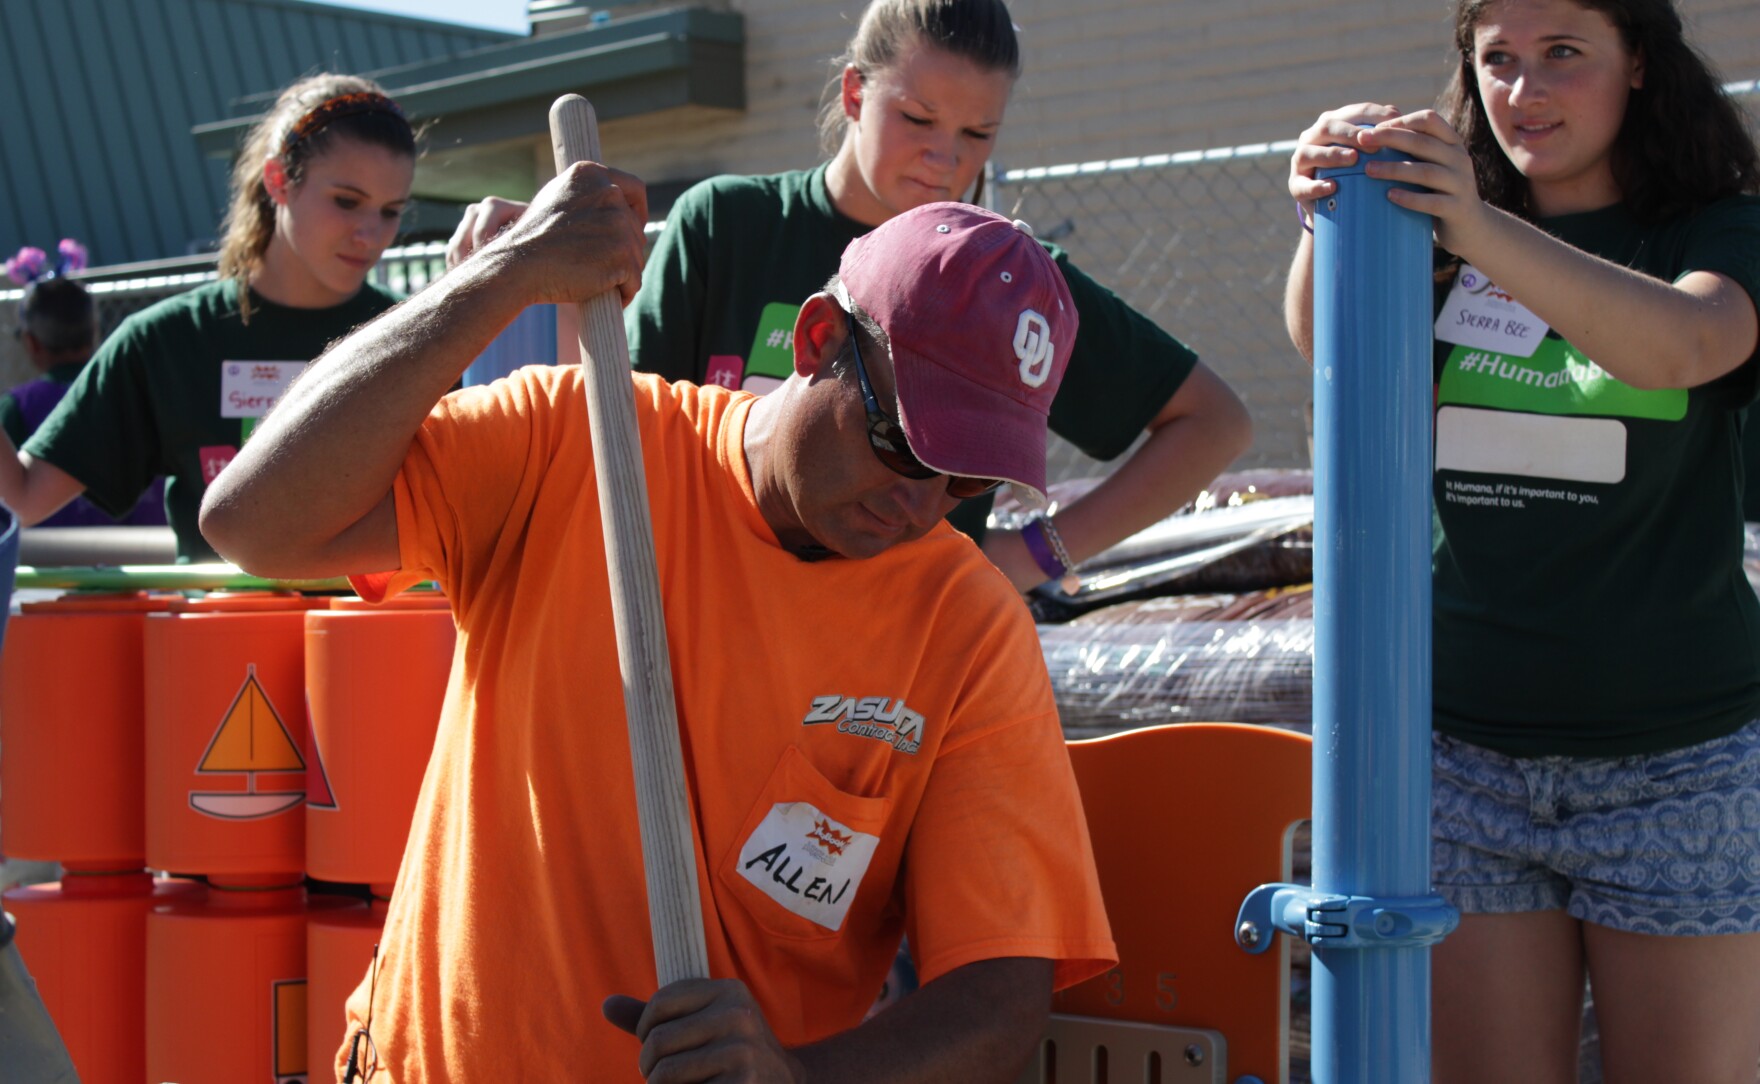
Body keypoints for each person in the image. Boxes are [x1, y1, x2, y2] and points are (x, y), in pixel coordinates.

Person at [201, 171, 1117, 1079]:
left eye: (968, 479)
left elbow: (999, 994)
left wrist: (797, 1079)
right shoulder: (579, 445)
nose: (922, 504)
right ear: (817, 338)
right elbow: (254, 521)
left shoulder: (967, 632)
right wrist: (501, 278)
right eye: (905, 442)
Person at [1284, 1, 1760, 1081]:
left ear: (1637, 64)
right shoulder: (1437, 221)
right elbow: (1328, 348)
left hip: (1675, 761)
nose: (1522, 92)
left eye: (1561, 56)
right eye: (1494, 59)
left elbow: (1688, 342)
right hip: (1459, 762)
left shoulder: (1710, 226)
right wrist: (1331, 214)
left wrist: (1479, 228)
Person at [449, 0, 1252, 593]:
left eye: (979, 135)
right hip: (710, 623)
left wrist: (1037, 554)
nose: (945, 158)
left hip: (897, 660)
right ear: (855, 93)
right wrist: (534, 282)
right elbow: (614, 422)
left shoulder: (1003, 279)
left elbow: (1213, 422)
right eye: (919, 117)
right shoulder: (729, 223)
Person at [0, 73, 416, 561]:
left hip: (377, 635)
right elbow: (24, 497)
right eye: (347, 201)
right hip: (212, 635)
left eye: (391, 211)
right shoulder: (165, 341)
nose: (371, 234)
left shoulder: (417, 336)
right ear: (278, 180)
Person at [2, 260, 164, 526]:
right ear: (95, 333)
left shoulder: (17, 407)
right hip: (147, 554)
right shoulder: (137, 393)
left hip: (46, 558)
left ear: (31, 342)